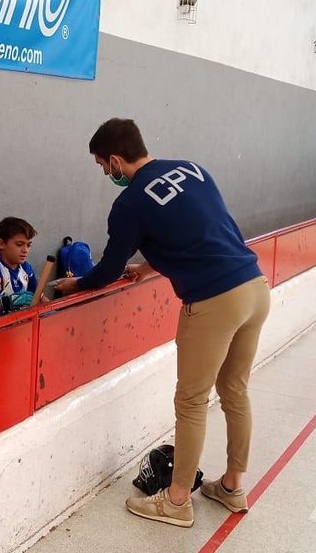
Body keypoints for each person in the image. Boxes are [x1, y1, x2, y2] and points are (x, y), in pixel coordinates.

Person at [55, 118, 270, 527]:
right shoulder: (193, 169)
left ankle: (175, 502)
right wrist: (150, 267)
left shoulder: (130, 203)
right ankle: (232, 486)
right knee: (235, 390)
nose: (105, 174)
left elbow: (105, 270)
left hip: (213, 301)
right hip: (255, 287)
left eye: (103, 166)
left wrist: (76, 285)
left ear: (117, 160)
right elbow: (201, 232)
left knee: (191, 402)